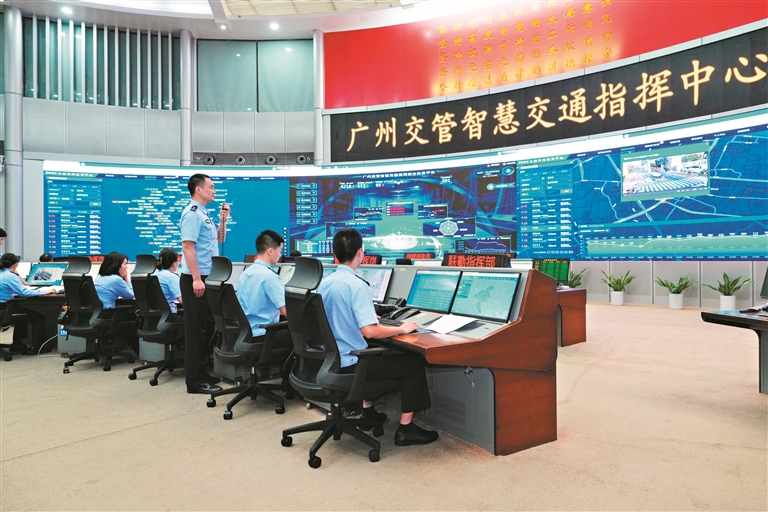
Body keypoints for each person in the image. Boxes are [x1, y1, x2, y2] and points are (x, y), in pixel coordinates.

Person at [316, 228, 439, 446]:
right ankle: (406, 429)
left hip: (331, 361)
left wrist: (369, 318)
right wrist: (402, 328)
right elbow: (370, 332)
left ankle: (368, 412)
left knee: (372, 350)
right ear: (360, 252)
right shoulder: (357, 285)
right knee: (413, 362)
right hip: (351, 363)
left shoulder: (324, 283)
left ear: (335, 254)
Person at [179, 173, 229, 394]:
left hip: (206, 277)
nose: (213, 190)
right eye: (210, 186)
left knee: (205, 327)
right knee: (196, 330)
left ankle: (201, 373)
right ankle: (195, 382)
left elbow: (219, 239)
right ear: (198, 189)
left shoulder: (203, 214)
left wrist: (223, 220)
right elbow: (187, 247)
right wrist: (197, 278)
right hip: (196, 278)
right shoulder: (191, 214)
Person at [237, 230, 292, 349]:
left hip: (245, 335)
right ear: (270, 251)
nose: (280, 255)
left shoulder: (245, 274)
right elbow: (287, 312)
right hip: (264, 335)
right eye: (279, 251)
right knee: (301, 335)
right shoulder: (270, 277)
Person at [0, 252, 56, 350]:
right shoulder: (10, 276)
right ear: (15, 265)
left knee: (22, 312)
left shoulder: (3, 273)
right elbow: (24, 293)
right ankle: (37, 347)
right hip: (4, 309)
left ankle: (16, 343)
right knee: (38, 318)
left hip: (3, 308)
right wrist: (45, 291)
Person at [94, 251, 139, 353]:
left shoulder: (99, 277)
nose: (126, 267)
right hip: (108, 315)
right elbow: (130, 296)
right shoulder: (116, 280)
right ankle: (139, 351)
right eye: (125, 264)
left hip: (97, 314)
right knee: (135, 318)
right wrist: (127, 278)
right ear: (117, 265)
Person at [154, 248, 182, 313]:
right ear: (173, 263)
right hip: (169, 314)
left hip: (153, 315)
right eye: (178, 260)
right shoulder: (171, 277)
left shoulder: (153, 274)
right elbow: (182, 300)